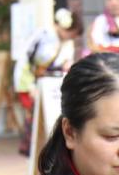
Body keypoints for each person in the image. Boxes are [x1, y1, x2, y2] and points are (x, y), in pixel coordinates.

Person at [15, 9, 82, 156]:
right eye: (71, 33)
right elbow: (28, 61)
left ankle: (42, 152)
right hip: (30, 83)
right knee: (34, 117)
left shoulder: (62, 42)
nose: (71, 37)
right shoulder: (43, 35)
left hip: (46, 84)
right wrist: (31, 85)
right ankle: (32, 150)